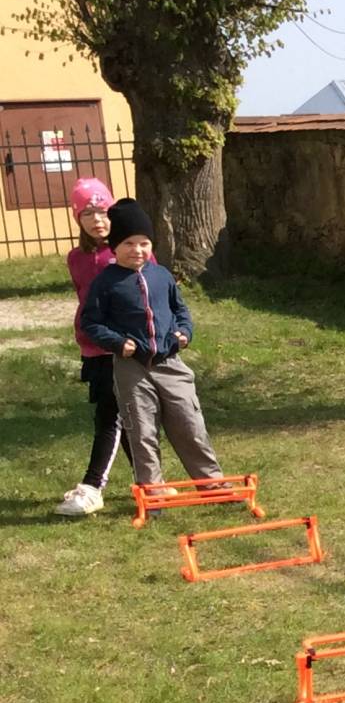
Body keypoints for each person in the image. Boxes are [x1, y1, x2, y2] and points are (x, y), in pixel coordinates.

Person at [79, 198, 224, 492]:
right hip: (131, 368)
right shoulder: (106, 283)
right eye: (129, 243)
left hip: (169, 363)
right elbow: (91, 322)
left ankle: (212, 483)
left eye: (144, 243)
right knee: (142, 430)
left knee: (190, 423)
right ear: (115, 246)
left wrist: (184, 332)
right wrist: (117, 343)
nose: (138, 250)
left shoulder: (162, 276)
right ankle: (153, 491)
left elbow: (180, 310)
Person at [54, 178, 135, 516]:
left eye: (102, 211)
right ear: (78, 218)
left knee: (110, 416)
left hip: (124, 348)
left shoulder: (129, 251)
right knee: (120, 415)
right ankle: (149, 480)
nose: (97, 220)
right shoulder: (77, 258)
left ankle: (92, 487)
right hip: (94, 348)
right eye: (87, 213)